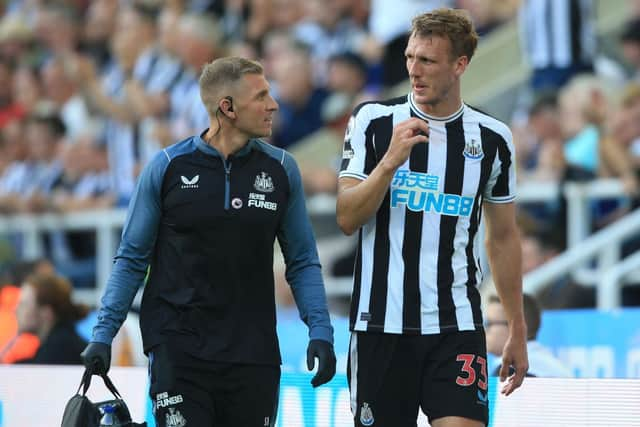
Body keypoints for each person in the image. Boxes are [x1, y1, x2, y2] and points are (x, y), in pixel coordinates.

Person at [80, 56, 336, 427]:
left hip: (253, 352)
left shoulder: (281, 169)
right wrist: (104, 334)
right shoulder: (167, 167)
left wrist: (321, 331)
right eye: (261, 96)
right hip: (179, 347)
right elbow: (132, 259)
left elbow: (302, 260)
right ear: (227, 107)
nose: (273, 104)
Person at [336, 8, 528, 427]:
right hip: (380, 325)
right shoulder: (372, 121)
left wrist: (516, 325)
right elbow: (347, 218)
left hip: (455, 322)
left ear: (460, 65)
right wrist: (388, 163)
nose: (414, 70)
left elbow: (503, 238)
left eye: (427, 60)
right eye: (409, 57)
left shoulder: (492, 138)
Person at [486, 294, 572, 377]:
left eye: (488, 323)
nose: (484, 330)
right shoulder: (554, 366)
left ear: (515, 327)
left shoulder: (510, 371)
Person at [14, 273, 88, 364]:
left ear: (47, 313)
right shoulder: (63, 341)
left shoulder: (59, 349)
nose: (16, 310)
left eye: (24, 304)